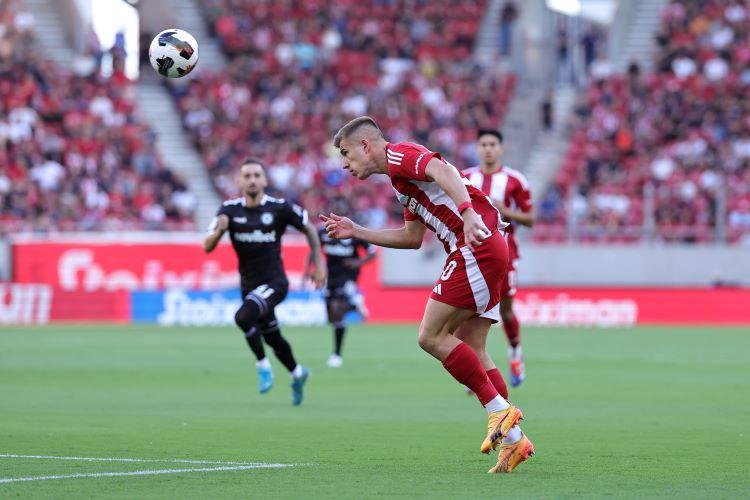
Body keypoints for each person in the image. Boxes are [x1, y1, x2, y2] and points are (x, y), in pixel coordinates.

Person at [322, 116, 534, 473]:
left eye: (345, 153)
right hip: (486, 245)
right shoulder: (400, 182)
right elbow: (411, 238)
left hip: (473, 245)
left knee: (431, 336)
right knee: (474, 346)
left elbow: (442, 169)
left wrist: (467, 213)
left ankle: (499, 411)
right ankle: (515, 441)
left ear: (365, 146)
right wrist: (357, 231)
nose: (344, 163)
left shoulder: (400, 155)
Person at [204, 158, 326, 406]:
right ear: (239, 181)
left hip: (275, 283)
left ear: (265, 180)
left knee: (242, 318)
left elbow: (310, 229)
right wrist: (218, 232)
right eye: (247, 176)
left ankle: (262, 366)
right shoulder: (228, 210)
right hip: (249, 286)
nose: (252, 180)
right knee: (272, 337)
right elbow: (207, 246)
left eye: (256, 175)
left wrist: (318, 263)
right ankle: (298, 373)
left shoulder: (279, 208)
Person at [464, 130, 534, 388]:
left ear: (500, 148)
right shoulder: (465, 178)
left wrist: (504, 211)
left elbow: (530, 218)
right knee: (468, 313)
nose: (488, 149)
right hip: (472, 253)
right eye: (483, 144)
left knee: (505, 309)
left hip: (505, 253)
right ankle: (473, 370)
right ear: (477, 148)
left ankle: (515, 351)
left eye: (492, 144)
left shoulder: (514, 180)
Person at [317, 199, 376, 367]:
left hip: (349, 277)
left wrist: (358, 262)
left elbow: (372, 252)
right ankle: (354, 306)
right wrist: (311, 269)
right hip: (331, 278)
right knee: (331, 316)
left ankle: (336, 354)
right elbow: (314, 249)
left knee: (337, 310)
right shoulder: (324, 232)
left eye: (340, 212)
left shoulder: (353, 232)